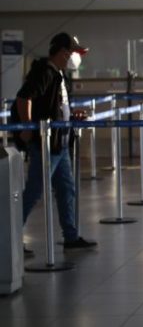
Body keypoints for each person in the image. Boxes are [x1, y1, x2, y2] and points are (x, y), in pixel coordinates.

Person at [15, 33, 97, 250]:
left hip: (60, 144)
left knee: (66, 189)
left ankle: (71, 237)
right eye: (73, 53)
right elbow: (24, 98)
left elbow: (55, 106)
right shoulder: (44, 72)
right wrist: (27, 127)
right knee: (34, 191)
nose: (75, 58)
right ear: (63, 52)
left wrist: (71, 115)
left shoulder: (59, 75)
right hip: (46, 144)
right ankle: (11, 238)